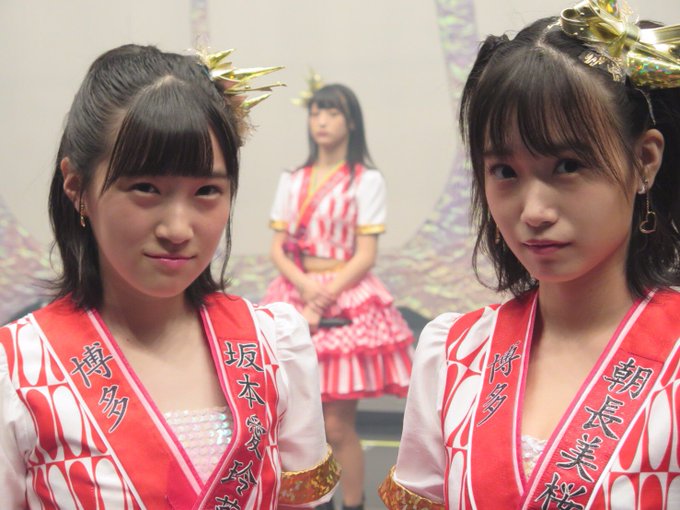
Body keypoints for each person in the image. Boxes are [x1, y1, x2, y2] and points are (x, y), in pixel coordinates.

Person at [0, 44, 340, 509]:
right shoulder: (19, 370)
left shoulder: (273, 345)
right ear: (77, 188)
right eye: (146, 188)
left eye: (207, 191)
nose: (178, 230)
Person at [379, 1, 680, 508]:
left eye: (567, 165)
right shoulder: (454, 354)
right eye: (505, 172)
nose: (534, 211)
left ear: (644, 161)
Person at [262, 83, 414, 509]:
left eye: (331, 113)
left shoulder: (365, 180)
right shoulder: (293, 180)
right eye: (316, 113)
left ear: (350, 122)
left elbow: (365, 255)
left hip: (344, 299)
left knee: (337, 426)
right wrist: (305, 289)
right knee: (295, 425)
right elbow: (277, 248)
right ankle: (311, 501)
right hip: (296, 290)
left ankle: (352, 503)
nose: (322, 121)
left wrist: (320, 298)